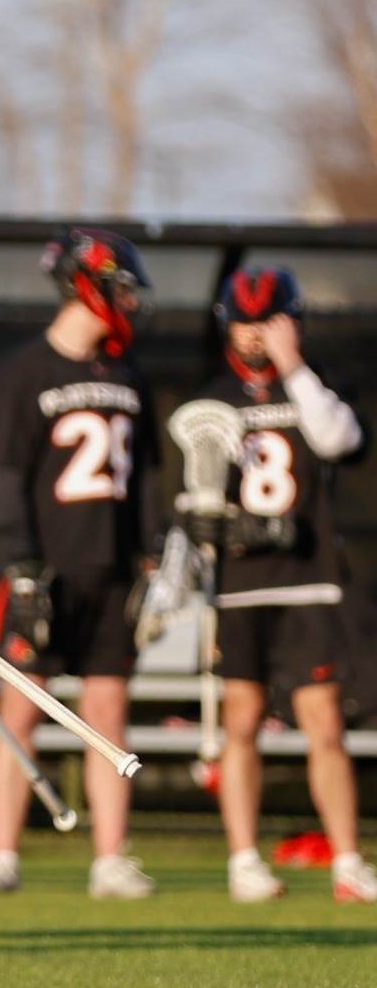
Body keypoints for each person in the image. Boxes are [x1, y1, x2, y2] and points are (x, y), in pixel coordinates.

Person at [0, 227, 159, 901]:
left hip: (112, 571)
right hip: (44, 571)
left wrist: (152, 559)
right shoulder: (26, 373)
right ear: (89, 284)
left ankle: (110, 859)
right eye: (121, 290)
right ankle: (4, 854)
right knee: (22, 709)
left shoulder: (127, 374)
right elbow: (6, 478)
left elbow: (149, 479)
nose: (129, 304)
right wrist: (21, 563)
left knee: (109, 712)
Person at [184, 265, 376, 903]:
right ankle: (244, 860)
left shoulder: (317, 388)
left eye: (268, 322)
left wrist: (295, 366)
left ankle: (348, 860)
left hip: (308, 584)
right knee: (240, 720)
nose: (255, 336)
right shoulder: (212, 400)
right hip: (240, 588)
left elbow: (339, 439)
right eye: (244, 323)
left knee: (324, 723)